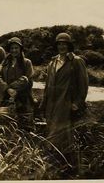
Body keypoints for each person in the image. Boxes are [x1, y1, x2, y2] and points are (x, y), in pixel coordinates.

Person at [39, 32, 89, 171]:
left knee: (64, 135)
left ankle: (66, 166)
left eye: (64, 44)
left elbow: (83, 85)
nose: (62, 46)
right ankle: (52, 165)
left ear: (69, 45)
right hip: (52, 104)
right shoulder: (52, 62)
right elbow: (47, 86)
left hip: (66, 103)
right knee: (51, 132)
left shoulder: (76, 61)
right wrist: (43, 105)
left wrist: (77, 103)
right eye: (59, 44)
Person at [0, 37, 34, 130]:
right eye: (12, 48)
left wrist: (15, 90)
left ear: (20, 49)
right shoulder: (5, 62)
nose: (14, 50)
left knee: (23, 126)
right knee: (3, 124)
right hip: (5, 97)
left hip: (22, 99)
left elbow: (28, 80)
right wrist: (7, 89)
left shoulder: (27, 62)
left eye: (16, 48)